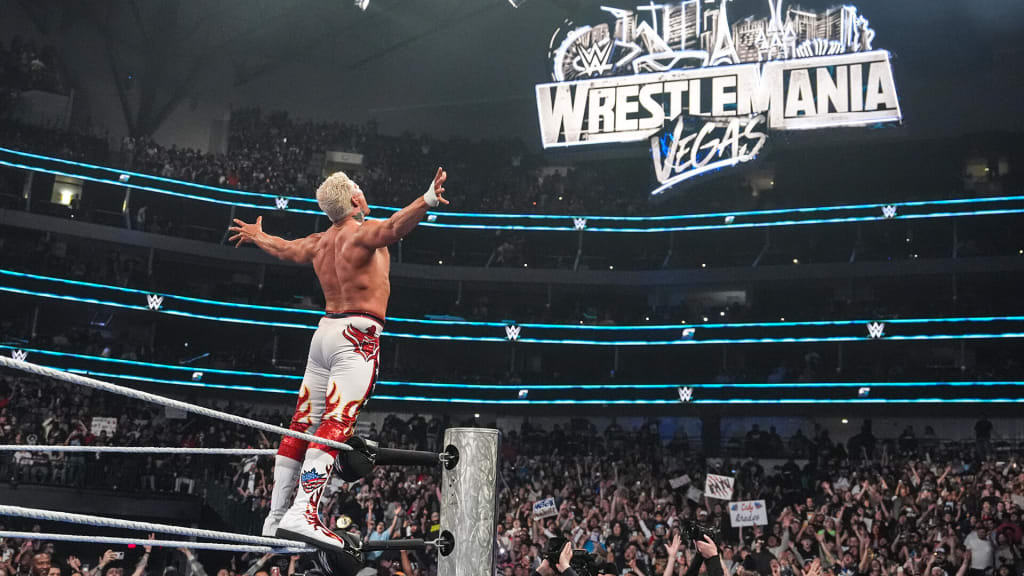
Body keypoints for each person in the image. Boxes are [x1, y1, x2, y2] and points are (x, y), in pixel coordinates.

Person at [228, 167, 449, 549]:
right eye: (358, 189)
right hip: (355, 337)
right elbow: (395, 227)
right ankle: (303, 513)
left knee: (302, 423)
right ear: (353, 200)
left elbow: (285, 249)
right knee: (336, 423)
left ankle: (275, 517)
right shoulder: (360, 234)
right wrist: (427, 199)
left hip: (325, 334)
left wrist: (258, 236)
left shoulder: (319, 241)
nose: (363, 192)